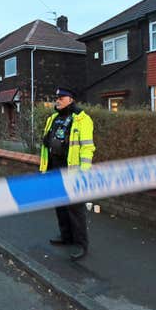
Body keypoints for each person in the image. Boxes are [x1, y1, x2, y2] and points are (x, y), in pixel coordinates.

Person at [40, 86, 95, 260]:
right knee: (60, 205)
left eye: (62, 98)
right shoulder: (53, 118)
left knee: (75, 209)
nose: (58, 100)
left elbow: (87, 147)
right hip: (54, 167)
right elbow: (46, 143)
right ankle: (66, 237)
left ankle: (81, 244)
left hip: (72, 170)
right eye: (57, 98)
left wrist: (84, 171)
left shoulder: (82, 119)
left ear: (71, 100)